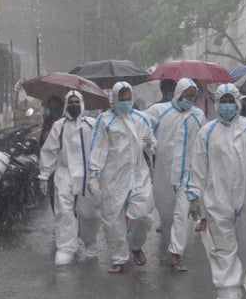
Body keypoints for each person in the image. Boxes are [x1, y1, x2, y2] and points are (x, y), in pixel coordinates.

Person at [186, 83, 246, 299]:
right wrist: (193, 194)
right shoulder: (207, 132)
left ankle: (237, 281)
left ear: (237, 102)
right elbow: (197, 165)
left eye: (229, 101)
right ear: (217, 103)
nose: (226, 105)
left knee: (245, 246)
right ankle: (226, 291)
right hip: (218, 198)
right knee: (224, 247)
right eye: (222, 101)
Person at [87, 81, 157, 274]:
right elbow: (98, 148)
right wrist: (94, 174)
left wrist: (150, 146)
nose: (126, 102)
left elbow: (148, 141)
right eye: (122, 99)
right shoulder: (105, 120)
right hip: (113, 177)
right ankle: (119, 257)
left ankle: (135, 245)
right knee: (112, 220)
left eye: (128, 99)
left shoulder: (142, 120)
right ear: (115, 100)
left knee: (143, 216)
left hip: (138, 176)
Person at [146, 78, 206, 271]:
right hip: (163, 177)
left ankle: (176, 255)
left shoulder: (198, 116)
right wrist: (150, 145)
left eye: (193, 96)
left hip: (186, 178)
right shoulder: (159, 112)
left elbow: (203, 145)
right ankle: (170, 244)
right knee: (166, 216)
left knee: (182, 216)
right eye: (188, 96)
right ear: (179, 93)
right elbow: (142, 128)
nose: (191, 100)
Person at [38, 91, 100, 265]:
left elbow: (101, 148)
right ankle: (66, 247)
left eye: (76, 102)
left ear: (82, 103)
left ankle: (90, 242)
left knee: (90, 213)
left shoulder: (92, 124)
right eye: (70, 102)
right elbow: (49, 150)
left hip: (88, 175)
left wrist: (99, 173)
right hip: (64, 173)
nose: (73, 105)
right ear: (66, 105)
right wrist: (44, 174)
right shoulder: (59, 126)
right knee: (64, 212)